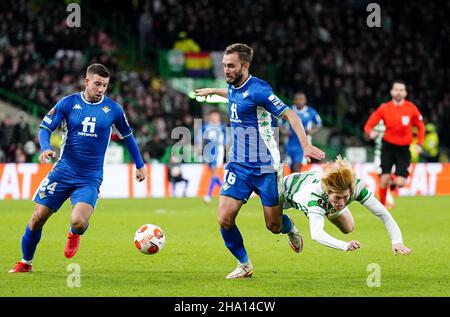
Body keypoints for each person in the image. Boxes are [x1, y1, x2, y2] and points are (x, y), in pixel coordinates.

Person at [195, 43, 325, 279]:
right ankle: (244, 264)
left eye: (231, 66)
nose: (226, 70)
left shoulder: (260, 90)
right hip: (238, 165)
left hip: (266, 166)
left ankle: (291, 228)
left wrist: (305, 145)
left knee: (273, 226)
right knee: (224, 219)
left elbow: (290, 114)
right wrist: (214, 91)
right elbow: (233, 94)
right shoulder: (232, 85)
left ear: (245, 66)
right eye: (224, 65)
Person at [9, 64, 146, 273]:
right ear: (87, 81)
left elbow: (128, 137)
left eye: (105, 85)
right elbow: (45, 127)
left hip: (89, 177)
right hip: (63, 171)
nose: (101, 89)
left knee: (79, 221)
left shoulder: (114, 110)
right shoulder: (68, 103)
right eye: (97, 84)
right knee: (37, 218)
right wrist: (46, 148)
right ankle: (25, 262)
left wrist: (140, 165)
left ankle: (74, 234)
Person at [283, 156, 412, 254]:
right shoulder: (315, 197)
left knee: (348, 228)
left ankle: (326, 210)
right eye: (337, 198)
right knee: (274, 225)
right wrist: (345, 245)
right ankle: (290, 229)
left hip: (320, 198)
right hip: (285, 192)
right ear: (328, 192)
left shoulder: (356, 187)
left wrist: (397, 241)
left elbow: (382, 213)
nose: (342, 202)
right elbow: (316, 234)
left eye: (345, 197)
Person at [364, 80, 424, 207]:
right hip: (388, 146)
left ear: (405, 93)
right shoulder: (384, 108)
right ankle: (382, 205)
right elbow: (368, 125)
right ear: (391, 92)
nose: (398, 92)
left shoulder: (411, 108)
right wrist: (370, 132)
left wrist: (419, 144)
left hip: (403, 149)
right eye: (396, 89)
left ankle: (393, 180)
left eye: (401, 90)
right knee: (383, 179)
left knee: (401, 183)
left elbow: (420, 126)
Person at [283, 91, 322, 172]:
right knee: (289, 165)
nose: (299, 102)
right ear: (294, 100)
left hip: (303, 143)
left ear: (305, 100)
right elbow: (280, 123)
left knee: (298, 165)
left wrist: (310, 131)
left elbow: (319, 124)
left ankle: (296, 181)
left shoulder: (311, 112)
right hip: (290, 142)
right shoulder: (289, 110)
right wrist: (284, 131)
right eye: (297, 99)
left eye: (301, 99)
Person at [197, 110, 227, 203]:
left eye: (216, 116)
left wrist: (225, 145)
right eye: (213, 116)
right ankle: (225, 190)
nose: (215, 118)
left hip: (217, 150)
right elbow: (199, 136)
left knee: (214, 172)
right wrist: (199, 145)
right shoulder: (206, 126)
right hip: (208, 150)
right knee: (213, 173)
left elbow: (226, 137)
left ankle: (208, 195)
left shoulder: (222, 126)